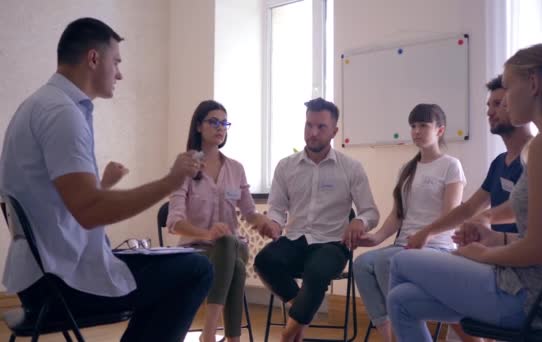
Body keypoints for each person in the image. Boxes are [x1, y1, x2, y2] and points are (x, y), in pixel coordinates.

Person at [0, 17, 213, 342]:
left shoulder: (40, 105)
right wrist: (170, 182)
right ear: (93, 58)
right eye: (116, 62)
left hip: (41, 276)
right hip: (60, 282)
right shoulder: (62, 114)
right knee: (196, 270)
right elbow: (90, 211)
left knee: (169, 267)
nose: (120, 73)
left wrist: (102, 186)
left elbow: (66, 206)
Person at [386, 43, 542, 342]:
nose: (503, 102)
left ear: (532, 84)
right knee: (401, 299)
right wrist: (497, 238)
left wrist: (483, 254)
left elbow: (540, 249)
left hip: (523, 298)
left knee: (400, 261)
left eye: (508, 86)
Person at [405, 76, 533, 341]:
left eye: (498, 103)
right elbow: (470, 208)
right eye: (489, 105)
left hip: (513, 266)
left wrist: (484, 223)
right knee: (400, 292)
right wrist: (428, 232)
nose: (490, 111)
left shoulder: (538, 158)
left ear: (520, 106)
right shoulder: (499, 162)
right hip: (490, 255)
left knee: (403, 264)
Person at [253, 97, 380, 342]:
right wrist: (274, 223)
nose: (313, 132)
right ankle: (300, 315)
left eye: (321, 127)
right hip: (294, 239)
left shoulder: (351, 167)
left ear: (334, 131)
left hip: (332, 243)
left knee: (317, 270)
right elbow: (277, 208)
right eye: (309, 125)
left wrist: (359, 222)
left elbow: (370, 212)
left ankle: (289, 334)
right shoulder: (286, 166)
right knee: (264, 260)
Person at [353, 103, 466, 342]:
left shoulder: (450, 166)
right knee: (362, 264)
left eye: (423, 125)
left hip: (438, 248)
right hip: (405, 245)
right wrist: (375, 237)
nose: (416, 131)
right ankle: (391, 335)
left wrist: (425, 236)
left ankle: (405, 332)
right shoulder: (407, 169)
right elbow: (397, 216)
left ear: (439, 130)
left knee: (388, 261)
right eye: (413, 126)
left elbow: (450, 215)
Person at [166, 99, 272, 342]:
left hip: (231, 247)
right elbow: (174, 221)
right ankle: (225, 336)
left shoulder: (236, 168)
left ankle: (210, 333)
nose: (220, 127)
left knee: (227, 243)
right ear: (199, 126)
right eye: (213, 122)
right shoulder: (185, 166)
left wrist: (264, 223)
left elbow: (249, 212)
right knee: (231, 258)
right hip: (194, 249)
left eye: (224, 123)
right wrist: (206, 234)